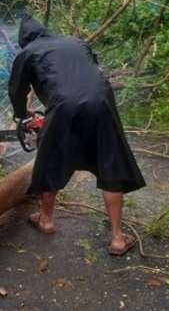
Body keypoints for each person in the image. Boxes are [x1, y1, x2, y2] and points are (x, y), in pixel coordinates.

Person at [8, 15, 146, 256]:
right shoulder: (77, 43)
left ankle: (46, 220)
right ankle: (117, 239)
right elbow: (86, 73)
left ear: (24, 39)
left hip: (64, 106)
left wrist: (21, 114)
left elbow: (16, 90)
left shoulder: (27, 53)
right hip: (102, 102)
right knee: (110, 163)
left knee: (50, 161)